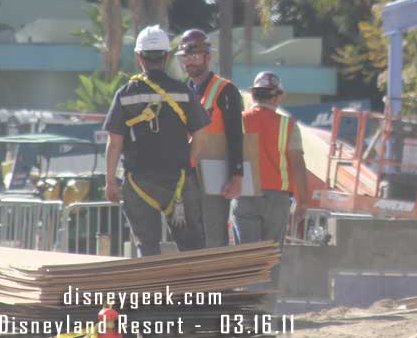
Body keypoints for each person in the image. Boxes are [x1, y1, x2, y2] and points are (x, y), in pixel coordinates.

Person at [103, 25, 208, 256]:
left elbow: (114, 143)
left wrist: (110, 181)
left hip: (139, 183)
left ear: (139, 57)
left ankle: (153, 292)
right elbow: (201, 137)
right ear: (167, 57)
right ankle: (197, 292)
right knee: (192, 249)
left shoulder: (126, 93)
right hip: (179, 182)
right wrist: (187, 163)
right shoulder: (183, 92)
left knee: (147, 249)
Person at [175, 29, 244, 248]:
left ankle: (219, 283)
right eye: (186, 57)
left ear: (207, 57)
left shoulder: (225, 90)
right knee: (191, 236)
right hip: (189, 175)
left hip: (216, 174)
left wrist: (237, 175)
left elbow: (235, 135)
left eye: (195, 56)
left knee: (214, 236)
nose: (190, 62)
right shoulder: (183, 92)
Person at [231, 72, 309, 250]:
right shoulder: (288, 126)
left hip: (245, 195)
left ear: (252, 95)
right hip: (277, 199)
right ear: (277, 97)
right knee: (271, 258)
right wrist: (303, 201)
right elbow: (298, 164)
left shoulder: (238, 121)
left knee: (245, 257)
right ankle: (269, 279)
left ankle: (249, 279)